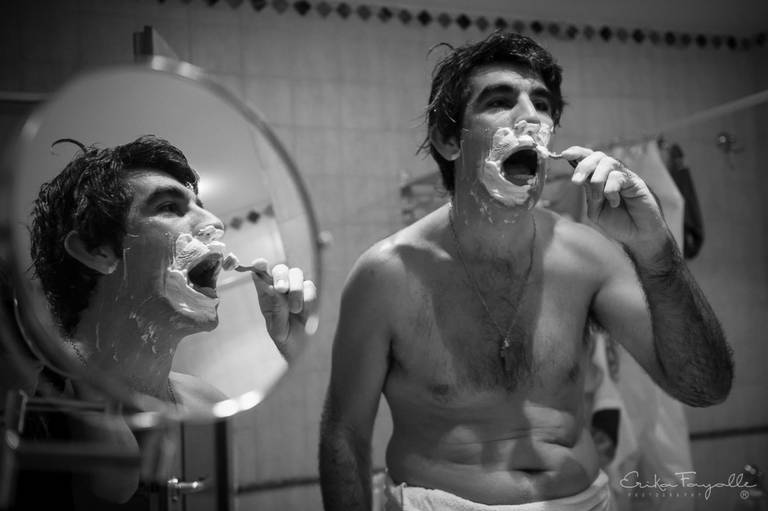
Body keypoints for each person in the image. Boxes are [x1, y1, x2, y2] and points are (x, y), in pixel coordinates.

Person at [319, 31, 732, 511]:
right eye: (499, 101)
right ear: (449, 139)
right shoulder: (386, 276)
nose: (530, 116)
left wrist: (656, 251)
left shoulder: (588, 257)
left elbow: (705, 387)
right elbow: (344, 434)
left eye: (541, 103)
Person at [26, 134, 314, 506]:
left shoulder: (206, 403)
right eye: (169, 207)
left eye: (201, 206)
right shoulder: (32, 394)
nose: (214, 223)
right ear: (96, 250)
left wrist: (301, 350)